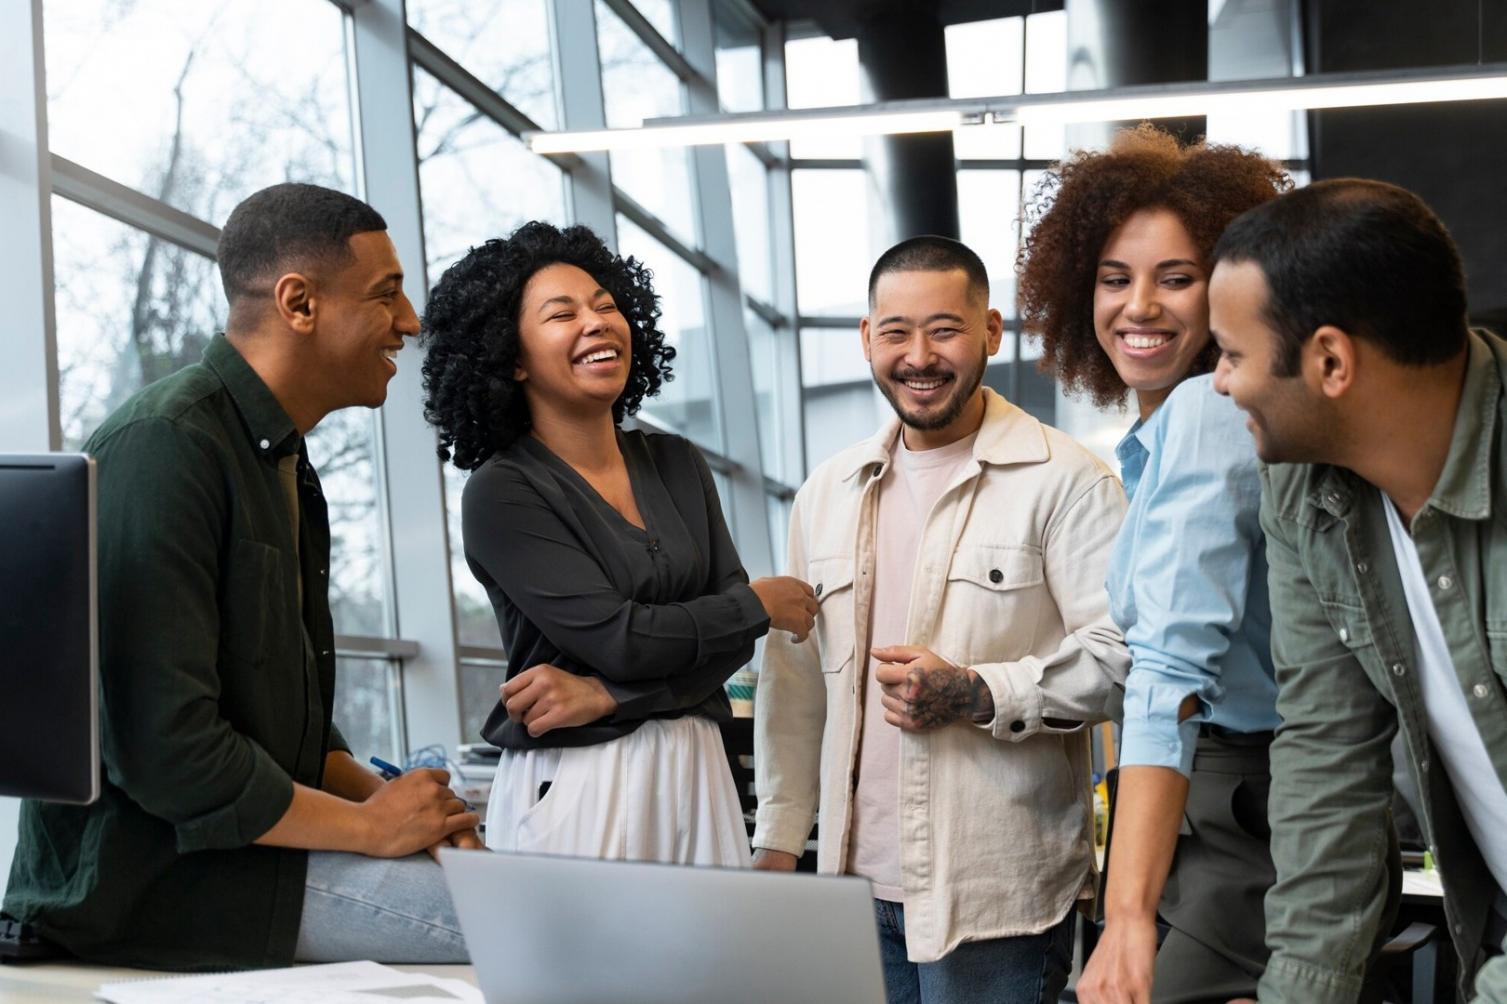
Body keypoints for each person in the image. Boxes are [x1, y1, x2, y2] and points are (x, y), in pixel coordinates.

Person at [2, 183, 479, 971]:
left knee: (518, 899)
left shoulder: (282, 461)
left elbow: (288, 732)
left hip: (258, 859)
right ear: (299, 303)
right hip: (160, 887)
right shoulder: (166, 444)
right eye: (385, 294)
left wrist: (400, 807)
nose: (410, 321)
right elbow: (170, 753)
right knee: (532, 932)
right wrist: (371, 828)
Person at [752, 235, 1130, 1004]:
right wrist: (779, 843)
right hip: (849, 889)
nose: (918, 356)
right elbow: (794, 686)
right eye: (896, 332)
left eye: (944, 330)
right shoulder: (826, 492)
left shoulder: (1066, 481)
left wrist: (976, 692)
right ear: (867, 338)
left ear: (989, 331)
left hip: (995, 898)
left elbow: (1123, 661)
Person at [420, 221, 816, 867]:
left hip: (698, 764)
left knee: (713, 939)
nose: (597, 322)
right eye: (562, 314)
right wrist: (757, 605)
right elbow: (622, 640)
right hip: (580, 779)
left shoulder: (676, 461)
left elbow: (729, 642)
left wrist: (608, 695)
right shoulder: (502, 491)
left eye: (605, 305)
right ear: (511, 358)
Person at [1208, 178, 1503, 1002]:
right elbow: (1326, 756)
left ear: (1330, 362)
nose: (1219, 383)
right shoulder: (1303, 490)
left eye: (1230, 354)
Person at [1016, 124, 1289, 1003]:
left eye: (1176, 278)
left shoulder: (1208, 413)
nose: (1139, 307)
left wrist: (1126, 916)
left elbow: (1170, 669)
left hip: (1237, 794)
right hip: (1213, 792)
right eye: (1113, 279)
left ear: (1232, 290)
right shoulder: (1166, 433)